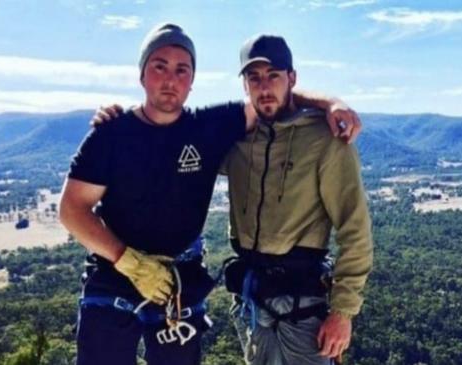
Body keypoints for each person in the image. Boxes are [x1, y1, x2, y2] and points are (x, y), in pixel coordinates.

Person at [60, 23, 361, 365]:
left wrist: (331, 103)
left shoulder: (208, 128)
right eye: (159, 66)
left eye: (181, 69)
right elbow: (72, 209)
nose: (170, 79)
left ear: (192, 80)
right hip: (112, 275)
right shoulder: (111, 136)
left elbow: (271, 100)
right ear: (142, 74)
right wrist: (127, 260)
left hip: (179, 278)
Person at [221, 34, 373, 365]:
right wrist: (117, 121)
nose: (264, 87)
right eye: (254, 78)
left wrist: (343, 312)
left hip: (303, 305)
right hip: (251, 300)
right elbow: (173, 137)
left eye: (273, 75)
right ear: (245, 85)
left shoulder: (325, 140)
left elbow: (355, 230)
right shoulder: (238, 138)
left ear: (292, 78)